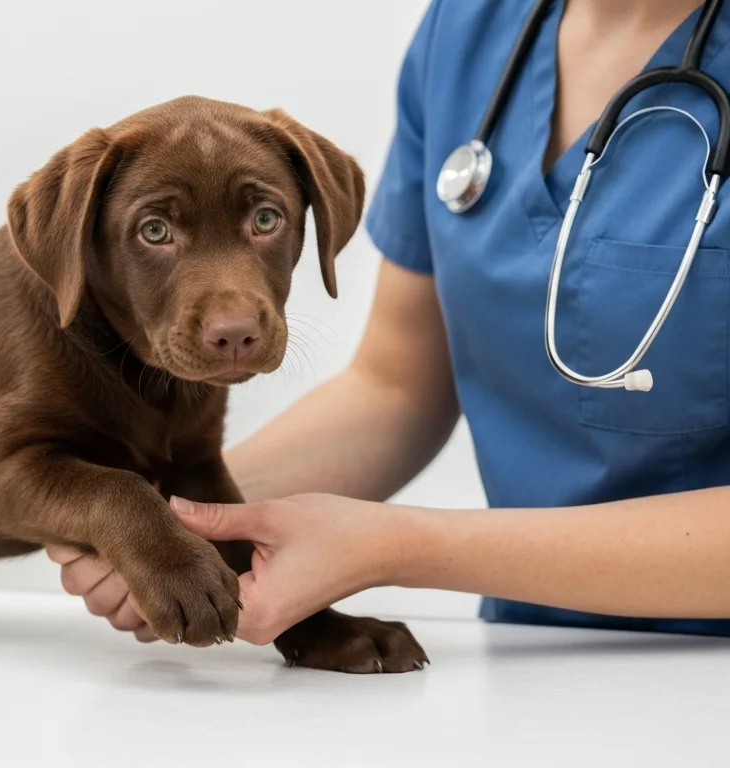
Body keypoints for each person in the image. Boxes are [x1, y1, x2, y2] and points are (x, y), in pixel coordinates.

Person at [49, 0, 730, 649]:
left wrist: (397, 546)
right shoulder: (471, 29)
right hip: (528, 655)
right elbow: (395, 388)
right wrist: (181, 527)